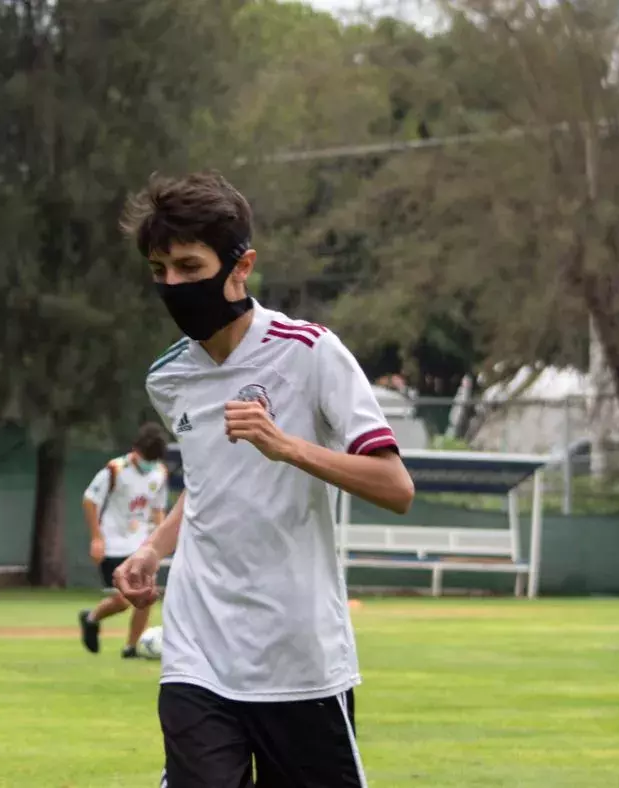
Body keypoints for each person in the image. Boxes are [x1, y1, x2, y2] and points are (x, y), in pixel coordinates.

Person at [111, 171, 415, 788]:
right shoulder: (168, 378)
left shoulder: (311, 353)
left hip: (297, 654)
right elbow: (208, 484)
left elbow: (395, 486)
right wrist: (151, 549)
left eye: (190, 267)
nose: (173, 285)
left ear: (240, 266)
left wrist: (288, 447)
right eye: (159, 270)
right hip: (198, 649)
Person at [77, 422, 170, 658]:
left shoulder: (159, 473)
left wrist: (160, 541)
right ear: (135, 450)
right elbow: (90, 500)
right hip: (114, 542)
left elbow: (158, 508)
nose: (148, 463)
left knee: (147, 594)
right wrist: (96, 538)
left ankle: (131, 647)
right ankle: (91, 618)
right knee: (124, 598)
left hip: (141, 543)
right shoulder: (115, 469)